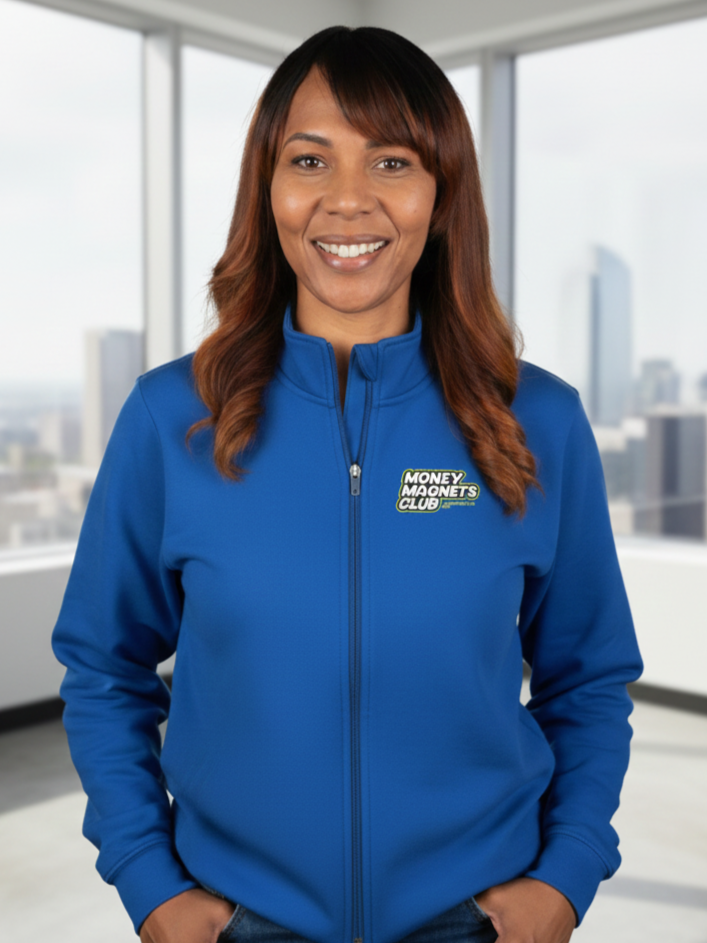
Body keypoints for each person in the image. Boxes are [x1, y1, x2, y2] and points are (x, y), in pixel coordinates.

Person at [51, 25, 643, 943]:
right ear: (268, 188)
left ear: (441, 194)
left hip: (473, 917)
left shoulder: (540, 422)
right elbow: (102, 667)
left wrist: (564, 878)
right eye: (309, 159)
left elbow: (589, 677)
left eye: (392, 162)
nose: (348, 199)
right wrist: (147, 881)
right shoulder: (171, 419)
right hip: (239, 917)